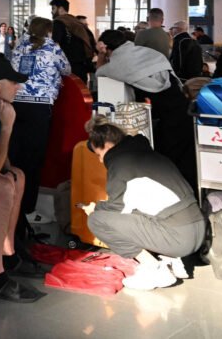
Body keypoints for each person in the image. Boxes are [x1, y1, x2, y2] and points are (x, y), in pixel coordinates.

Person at [82, 117, 206, 290]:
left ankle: (153, 269)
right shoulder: (152, 155)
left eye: (99, 155)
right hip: (198, 230)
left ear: (108, 145)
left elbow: (117, 209)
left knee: (97, 220)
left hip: (178, 238)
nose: (100, 161)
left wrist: (95, 209)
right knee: (138, 214)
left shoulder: (120, 164)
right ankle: (172, 260)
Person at [0, 55, 44, 303]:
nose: (18, 86)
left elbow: (3, 164)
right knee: (3, 186)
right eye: (12, 82)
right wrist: (7, 128)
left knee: (17, 175)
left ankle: (8, 250)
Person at [96, 30, 196, 189]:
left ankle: (177, 197)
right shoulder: (148, 53)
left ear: (106, 47)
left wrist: (101, 55)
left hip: (167, 119)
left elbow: (99, 72)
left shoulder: (118, 63)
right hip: (183, 109)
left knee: (170, 164)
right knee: (187, 161)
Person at [8, 16, 71, 215]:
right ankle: (27, 206)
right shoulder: (53, 48)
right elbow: (67, 70)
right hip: (40, 107)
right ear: (48, 31)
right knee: (33, 159)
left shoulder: (19, 46)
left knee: (14, 156)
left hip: (16, 104)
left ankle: (10, 203)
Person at [50, 0, 95, 82]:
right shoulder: (76, 22)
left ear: (61, 9)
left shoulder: (59, 22)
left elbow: (54, 44)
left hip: (68, 65)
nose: (51, 11)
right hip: (82, 65)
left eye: (53, 8)